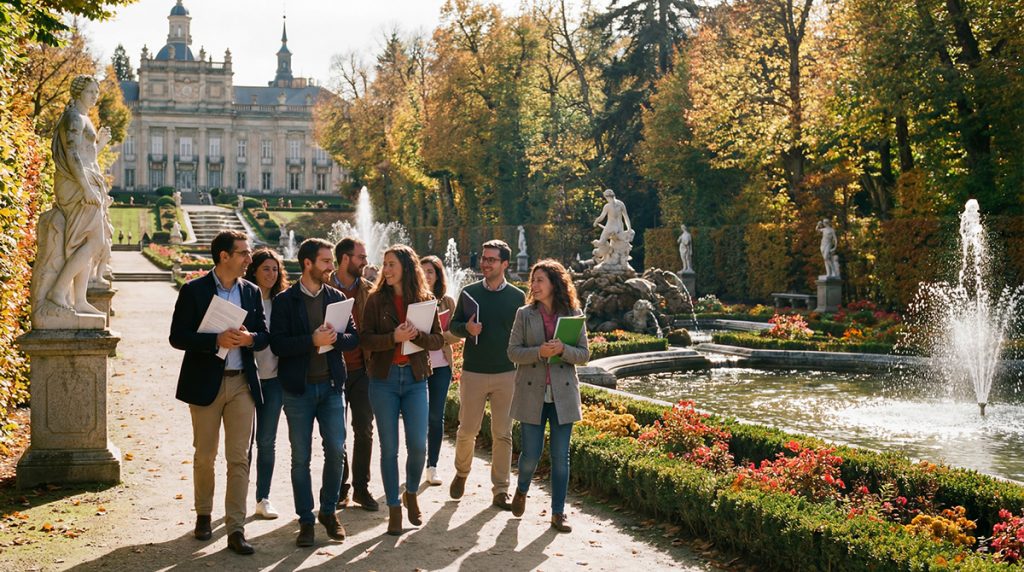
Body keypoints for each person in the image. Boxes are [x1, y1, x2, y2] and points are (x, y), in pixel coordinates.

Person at [169, 229, 268, 555]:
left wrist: (250, 339)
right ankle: (203, 514)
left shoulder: (251, 291)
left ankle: (236, 528)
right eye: (243, 253)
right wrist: (215, 341)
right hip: (205, 381)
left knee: (239, 458)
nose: (249, 259)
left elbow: (264, 335)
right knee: (205, 455)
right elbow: (177, 337)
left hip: (241, 383)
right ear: (224, 256)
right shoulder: (194, 290)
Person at [270, 238, 359, 547]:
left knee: (336, 450)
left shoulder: (337, 297)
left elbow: (353, 338)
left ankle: (328, 511)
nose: (331, 267)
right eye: (325, 261)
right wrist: (312, 340)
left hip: (332, 387)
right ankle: (306, 520)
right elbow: (278, 344)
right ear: (307, 263)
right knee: (301, 458)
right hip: (298, 390)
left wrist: (335, 338)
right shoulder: (285, 301)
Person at [360, 245, 444, 535]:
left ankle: (411, 492)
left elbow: (438, 340)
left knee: (419, 446)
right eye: (385, 264)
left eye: (392, 264)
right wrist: (393, 337)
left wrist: (417, 336)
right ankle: (394, 507)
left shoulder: (425, 300)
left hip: (415, 379)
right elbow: (365, 339)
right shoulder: (375, 300)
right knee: (389, 448)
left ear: (407, 267)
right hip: (383, 380)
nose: (386, 269)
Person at [507, 260, 590, 533]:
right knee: (531, 455)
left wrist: (563, 349)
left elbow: (584, 355)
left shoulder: (574, 314)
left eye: (540, 279)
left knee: (560, 457)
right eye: (533, 280)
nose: (534, 285)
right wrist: (538, 352)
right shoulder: (524, 314)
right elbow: (513, 352)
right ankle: (522, 489)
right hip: (531, 392)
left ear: (555, 283)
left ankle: (558, 513)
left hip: (563, 394)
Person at [448, 239, 526, 511]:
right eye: (483, 258)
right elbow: (454, 325)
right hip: (474, 372)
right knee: (467, 431)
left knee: (502, 434)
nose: (485, 263)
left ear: (505, 264)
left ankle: (501, 490)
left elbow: (523, 333)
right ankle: (461, 472)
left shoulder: (517, 297)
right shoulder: (469, 293)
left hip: (507, 374)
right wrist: (466, 329)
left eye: (492, 259)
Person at [46, 74, 109, 316]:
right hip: (77, 187)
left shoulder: (82, 118)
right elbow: (72, 155)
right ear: (79, 92)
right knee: (95, 242)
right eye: (90, 91)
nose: (95, 96)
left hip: (87, 183)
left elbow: (86, 156)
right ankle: (58, 290)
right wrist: (86, 188)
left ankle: (80, 300)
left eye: (96, 92)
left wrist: (100, 145)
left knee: (87, 243)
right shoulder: (73, 117)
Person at [331, 237, 379, 512]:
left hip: (362, 369)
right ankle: (341, 488)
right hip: (331, 370)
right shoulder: (324, 287)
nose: (365, 262)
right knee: (336, 434)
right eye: (361, 257)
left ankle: (361, 488)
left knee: (364, 430)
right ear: (346, 259)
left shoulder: (369, 291)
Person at [243, 248, 289, 521]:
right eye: (265, 269)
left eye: (275, 269)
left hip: (274, 380)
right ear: (254, 271)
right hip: (246, 378)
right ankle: (238, 499)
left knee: (266, 441)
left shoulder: (283, 302)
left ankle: (263, 497)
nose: (271, 274)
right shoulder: (244, 298)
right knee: (243, 444)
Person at [419, 255, 461, 486]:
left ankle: (432, 465)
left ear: (438, 275)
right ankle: (416, 462)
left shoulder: (447, 302)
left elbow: (457, 333)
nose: (426, 275)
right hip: (417, 365)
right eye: (423, 270)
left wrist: (437, 338)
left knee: (436, 417)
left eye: (431, 271)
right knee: (418, 417)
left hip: (441, 365)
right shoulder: (411, 298)